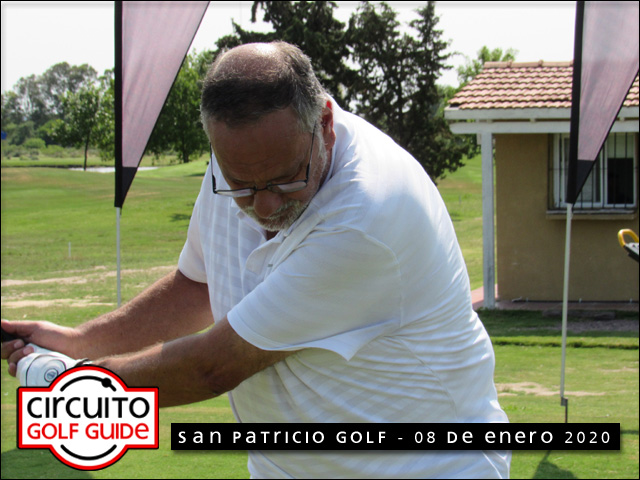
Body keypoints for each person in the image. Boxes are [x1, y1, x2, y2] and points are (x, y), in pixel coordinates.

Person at [2, 41, 510, 478]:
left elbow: (214, 366)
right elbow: (197, 288)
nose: (264, 206)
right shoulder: (243, 160)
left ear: (325, 124)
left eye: (286, 180)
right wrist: (77, 342)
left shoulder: (366, 217)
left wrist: (69, 386)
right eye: (241, 185)